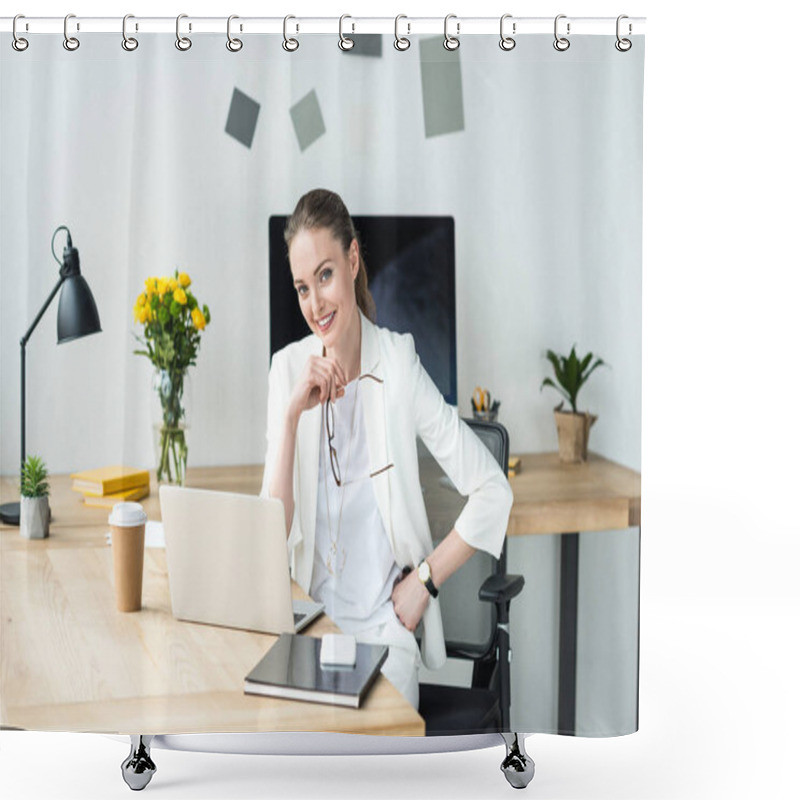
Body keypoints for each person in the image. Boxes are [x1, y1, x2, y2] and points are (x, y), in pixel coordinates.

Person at [261, 188, 513, 710]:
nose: (315, 304)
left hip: (384, 633)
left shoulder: (397, 363)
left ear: (353, 260)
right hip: (307, 627)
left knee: (372, 759)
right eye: (302, 287)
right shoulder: (287, 369)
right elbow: (270, 536)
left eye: (326, 276)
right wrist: (290, 418)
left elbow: (494, 491)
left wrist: (426, 580)